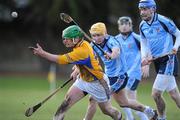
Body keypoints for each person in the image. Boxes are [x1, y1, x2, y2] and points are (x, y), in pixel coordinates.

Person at [30, 25, 122, 120]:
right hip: (83, 80)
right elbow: (83, 62)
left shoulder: (82, 51)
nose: (64, 41)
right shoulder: (83, 44)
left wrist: (43, 54)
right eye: (64, 38)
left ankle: (119, 117)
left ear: (76, 39)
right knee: (66, 103)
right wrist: (77, 70)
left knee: (107, 110)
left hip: (98, 83)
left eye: (67, 39)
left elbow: (61, 59)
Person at [83, 22, 157, 120]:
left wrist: (111, 55)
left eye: (99, 35)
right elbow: (85, 57)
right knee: (124, 103)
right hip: (109, 76)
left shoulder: (112, 41)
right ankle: (149, 111)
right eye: (94, 35)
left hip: (119, 77)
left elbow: (116, 52)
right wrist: (76, 69)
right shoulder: (93, 45)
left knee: (93, 98)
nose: (96, 38)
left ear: (105, 33)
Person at [138, 0, 180, 120]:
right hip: (157, 61)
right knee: (174, 95)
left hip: (168, 59)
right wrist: (144, 57)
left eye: (145, 9)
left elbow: (178, 34)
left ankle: (161, 118)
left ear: (153, 9)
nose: (142, 12)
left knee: (155, 94)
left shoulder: (163, 21)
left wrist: (175, 47)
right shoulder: (142, 25)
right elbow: (144, 42)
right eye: (141, 9)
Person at [115, 16, 149, 120]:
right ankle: (139, 115)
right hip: (121, 73)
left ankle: (137, 115)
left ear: (131, 26)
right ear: (119, 27)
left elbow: (147, 50)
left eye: (127, 24)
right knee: (128, 99)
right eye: (122, 24)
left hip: (134, 73)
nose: (124, 26)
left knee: (126, 97)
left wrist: (146, 64)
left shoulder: (137, 38)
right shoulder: (115, 39)